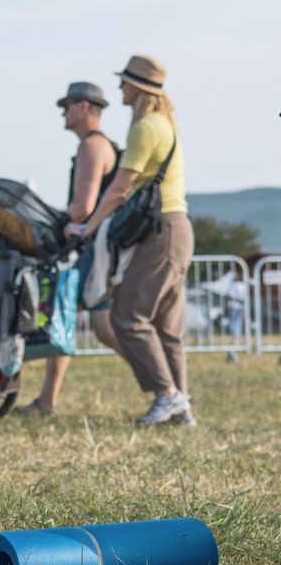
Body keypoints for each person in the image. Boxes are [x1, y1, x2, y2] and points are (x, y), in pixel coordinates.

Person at [65, 56, 194, 426]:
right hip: (178, 228)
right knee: (168, 328)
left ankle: (168, 395)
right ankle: (180, 406)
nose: (120, 88)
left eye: (124, 83)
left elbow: (121, 188)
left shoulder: (146, 127)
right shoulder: (164, 124)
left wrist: (88, 228)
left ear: (139, 88)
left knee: (128, 317)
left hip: (162, 232)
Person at [17, 82, 122, 416]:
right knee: (64, 318)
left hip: (97, 247)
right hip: (100, 245)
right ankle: (47, 400)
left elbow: (82, 207)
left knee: (104, 327)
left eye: (68, 104)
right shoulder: (100, 145)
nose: (64, 112)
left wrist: (53, 223)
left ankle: (165, 388)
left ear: (85, 108)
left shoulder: (92, 146)